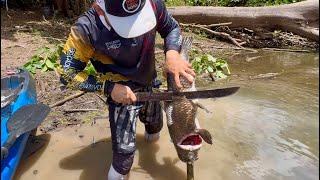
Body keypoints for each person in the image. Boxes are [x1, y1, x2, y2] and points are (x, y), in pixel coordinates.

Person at [58, 0, 196, 179]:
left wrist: (172, 53)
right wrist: (108, 87)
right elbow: (67, 73)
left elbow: (171, 27)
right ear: (101, 7)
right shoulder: (86, 29)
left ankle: (150, 158)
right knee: (123, 160)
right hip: (120, 94)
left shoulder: (153, 4)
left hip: (150, 84)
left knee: (154, 129)